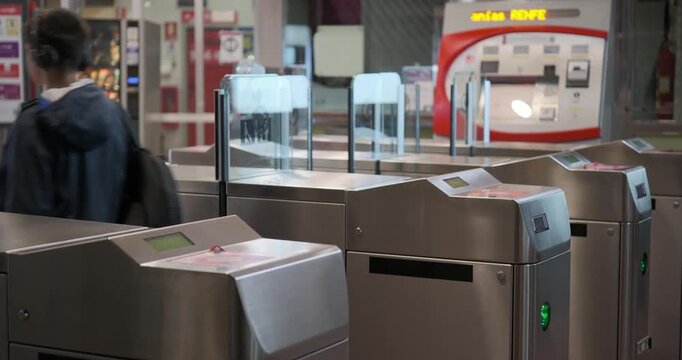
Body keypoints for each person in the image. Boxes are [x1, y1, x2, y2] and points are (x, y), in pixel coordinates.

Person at [0, 8, 129, 222]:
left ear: (41, 56)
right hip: (109, 251)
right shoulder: (115, 115)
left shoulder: (32, 127)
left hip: (52, 254)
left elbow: (21, 221)